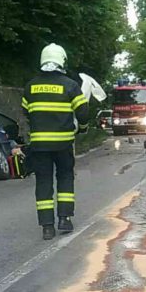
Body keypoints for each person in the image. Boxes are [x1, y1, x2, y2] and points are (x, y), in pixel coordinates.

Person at [19, 43, 89, 240]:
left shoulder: (30, 86)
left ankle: (47, 227)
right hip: (63, 144)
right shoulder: (70, 85)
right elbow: (83, 112)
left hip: (39, 145)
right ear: (61, 60)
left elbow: (26, 112)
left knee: (43, 182)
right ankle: (64, 219)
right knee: (65, 177)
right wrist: (82, 128)